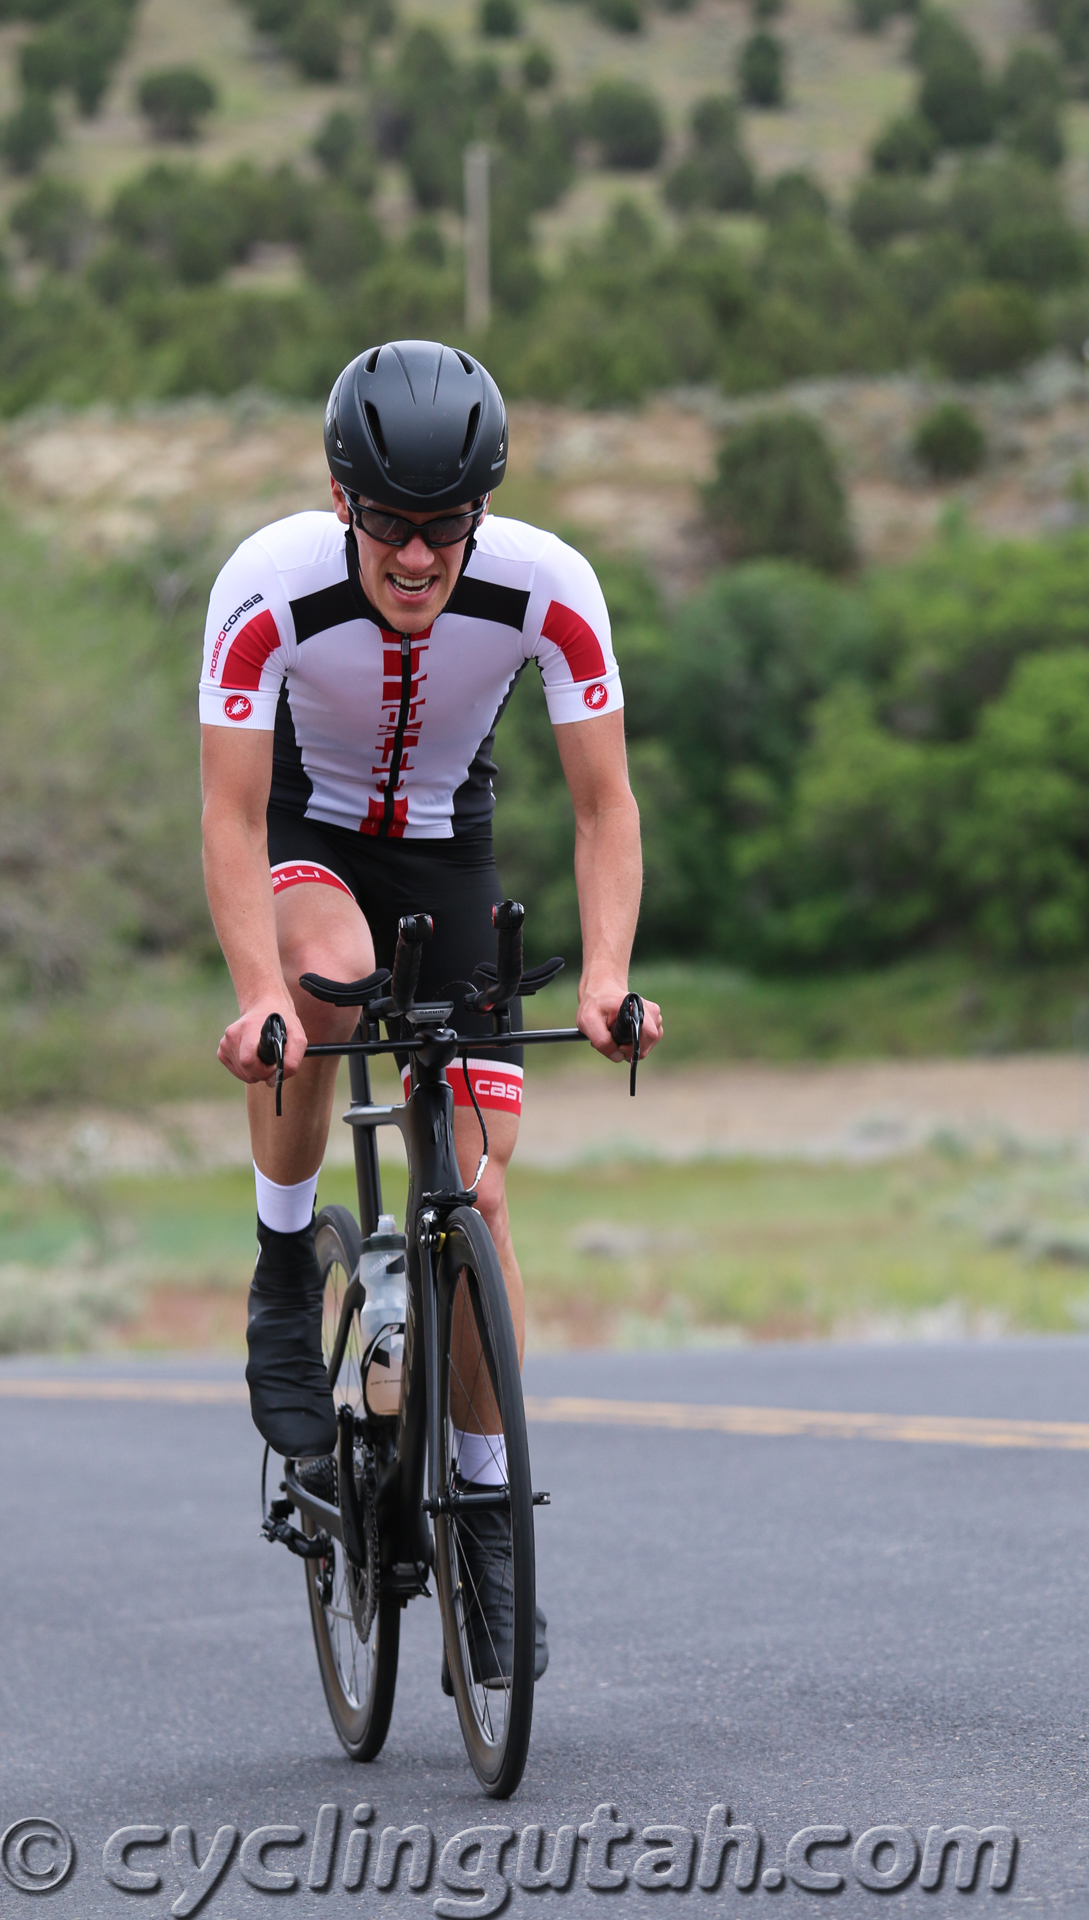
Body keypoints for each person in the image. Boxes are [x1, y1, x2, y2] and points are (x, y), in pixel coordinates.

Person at [199, 339, 662, 1676]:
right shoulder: (266, 586)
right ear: (344, 504)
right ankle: (286, 1259)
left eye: (444, 528)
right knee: (330, 980)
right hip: (306, 840)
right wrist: (257, 998)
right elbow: (229, 815)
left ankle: (488, 1513)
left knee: (480, 1194)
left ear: (482, 512)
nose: (417, 557)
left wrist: (608, 977)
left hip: (452, 857)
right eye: (392, 526)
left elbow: (603, 804)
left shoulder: (551, 589)